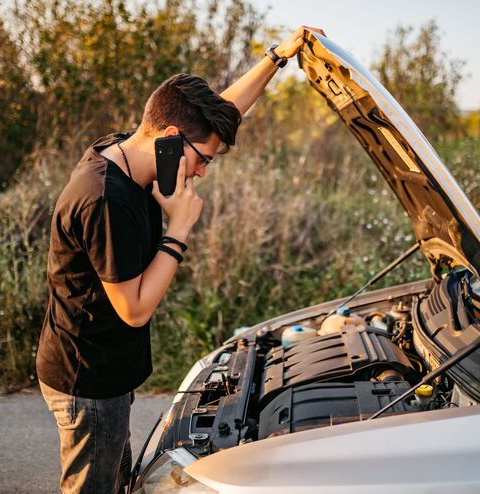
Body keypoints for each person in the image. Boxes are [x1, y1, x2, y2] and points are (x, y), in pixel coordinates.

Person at [36, 26, 325, 494]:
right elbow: (134, 309)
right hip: (88, 379)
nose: (203, 171)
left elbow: (221, 115)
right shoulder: (106, 199)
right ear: (170, 138)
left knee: (116, 481)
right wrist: (180, 227)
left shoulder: (133, 150)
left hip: (108, 368)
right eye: (203, 159)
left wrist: (277, 58)